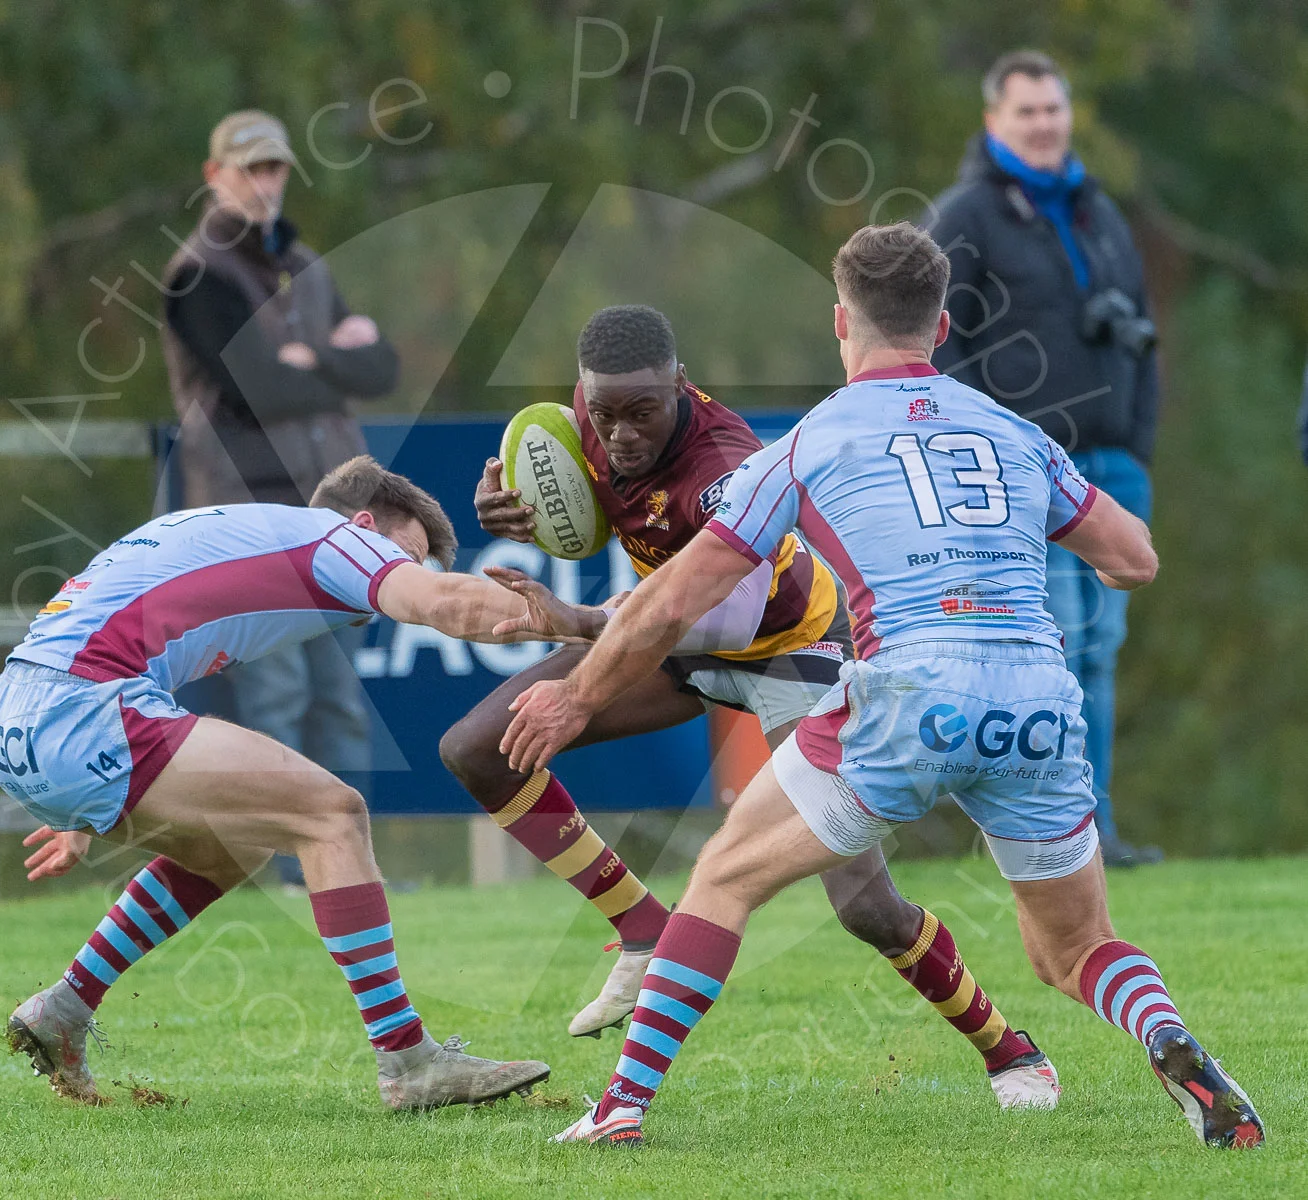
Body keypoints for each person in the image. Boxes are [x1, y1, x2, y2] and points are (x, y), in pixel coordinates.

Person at [505, 224, 1261, 1151]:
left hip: (909, 695)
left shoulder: (811, 440)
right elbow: (1135, 558)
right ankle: (1167, 1036)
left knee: (723, 878)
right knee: (1073, 950)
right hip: (1036, 701)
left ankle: (619, 1111)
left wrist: (579, 694)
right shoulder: (1013, 433)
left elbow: (669, 606)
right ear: (941, 326)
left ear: (840, 322)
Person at [442, 304, 1060, 1110]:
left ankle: (1011, 1052)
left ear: (681, 385)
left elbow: (711, 619)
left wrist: (585, 624)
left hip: (787, 646)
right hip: (668, 634)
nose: (620, 434)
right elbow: (575, 479)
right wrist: (513, 504)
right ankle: (641, 928)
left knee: (865, 907)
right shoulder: (592, 416)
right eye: (605, 415)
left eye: (642, 413)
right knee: (476, 748)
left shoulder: (726, 466)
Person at [0, 457, 567, 1110]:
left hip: (20, 714)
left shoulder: (253, 534)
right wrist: (596, 619)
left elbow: (110, 617)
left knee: (233, 845)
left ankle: (65, 1009)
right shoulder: (333, 540)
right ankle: (409, 1062)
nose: (399, 581)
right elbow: (445, 603)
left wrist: (72, 796)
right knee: (333, 815)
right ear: (366, 524)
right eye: (404, 557)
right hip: (82, 711)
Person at [922, 53, 1162, 867]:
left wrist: (1137, 441)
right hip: (1023, 471)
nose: (1043, 125)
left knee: (1099, 647)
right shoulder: (964, 215)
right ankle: (1046, 830)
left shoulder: (1099, 212)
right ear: (994, 123)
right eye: (1026, 112)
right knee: (1047, 650)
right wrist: (981, 449)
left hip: (1112, 464)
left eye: (1053, 110)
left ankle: (1093, 827)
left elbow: (1143, 332)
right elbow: (930, 345)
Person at [161, 109, 398, 887]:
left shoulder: (306, 263)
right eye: (250, 168)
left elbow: (383, 369)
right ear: (214, 174)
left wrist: (312, 356)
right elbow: (257, 385)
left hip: (334, 508)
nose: (265, 183)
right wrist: (331, 359)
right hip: (252, 512)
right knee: (278, 693)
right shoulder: (199, 273)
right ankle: (285, 875)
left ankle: (354, 868)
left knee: (340, 694)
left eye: (275, 168)